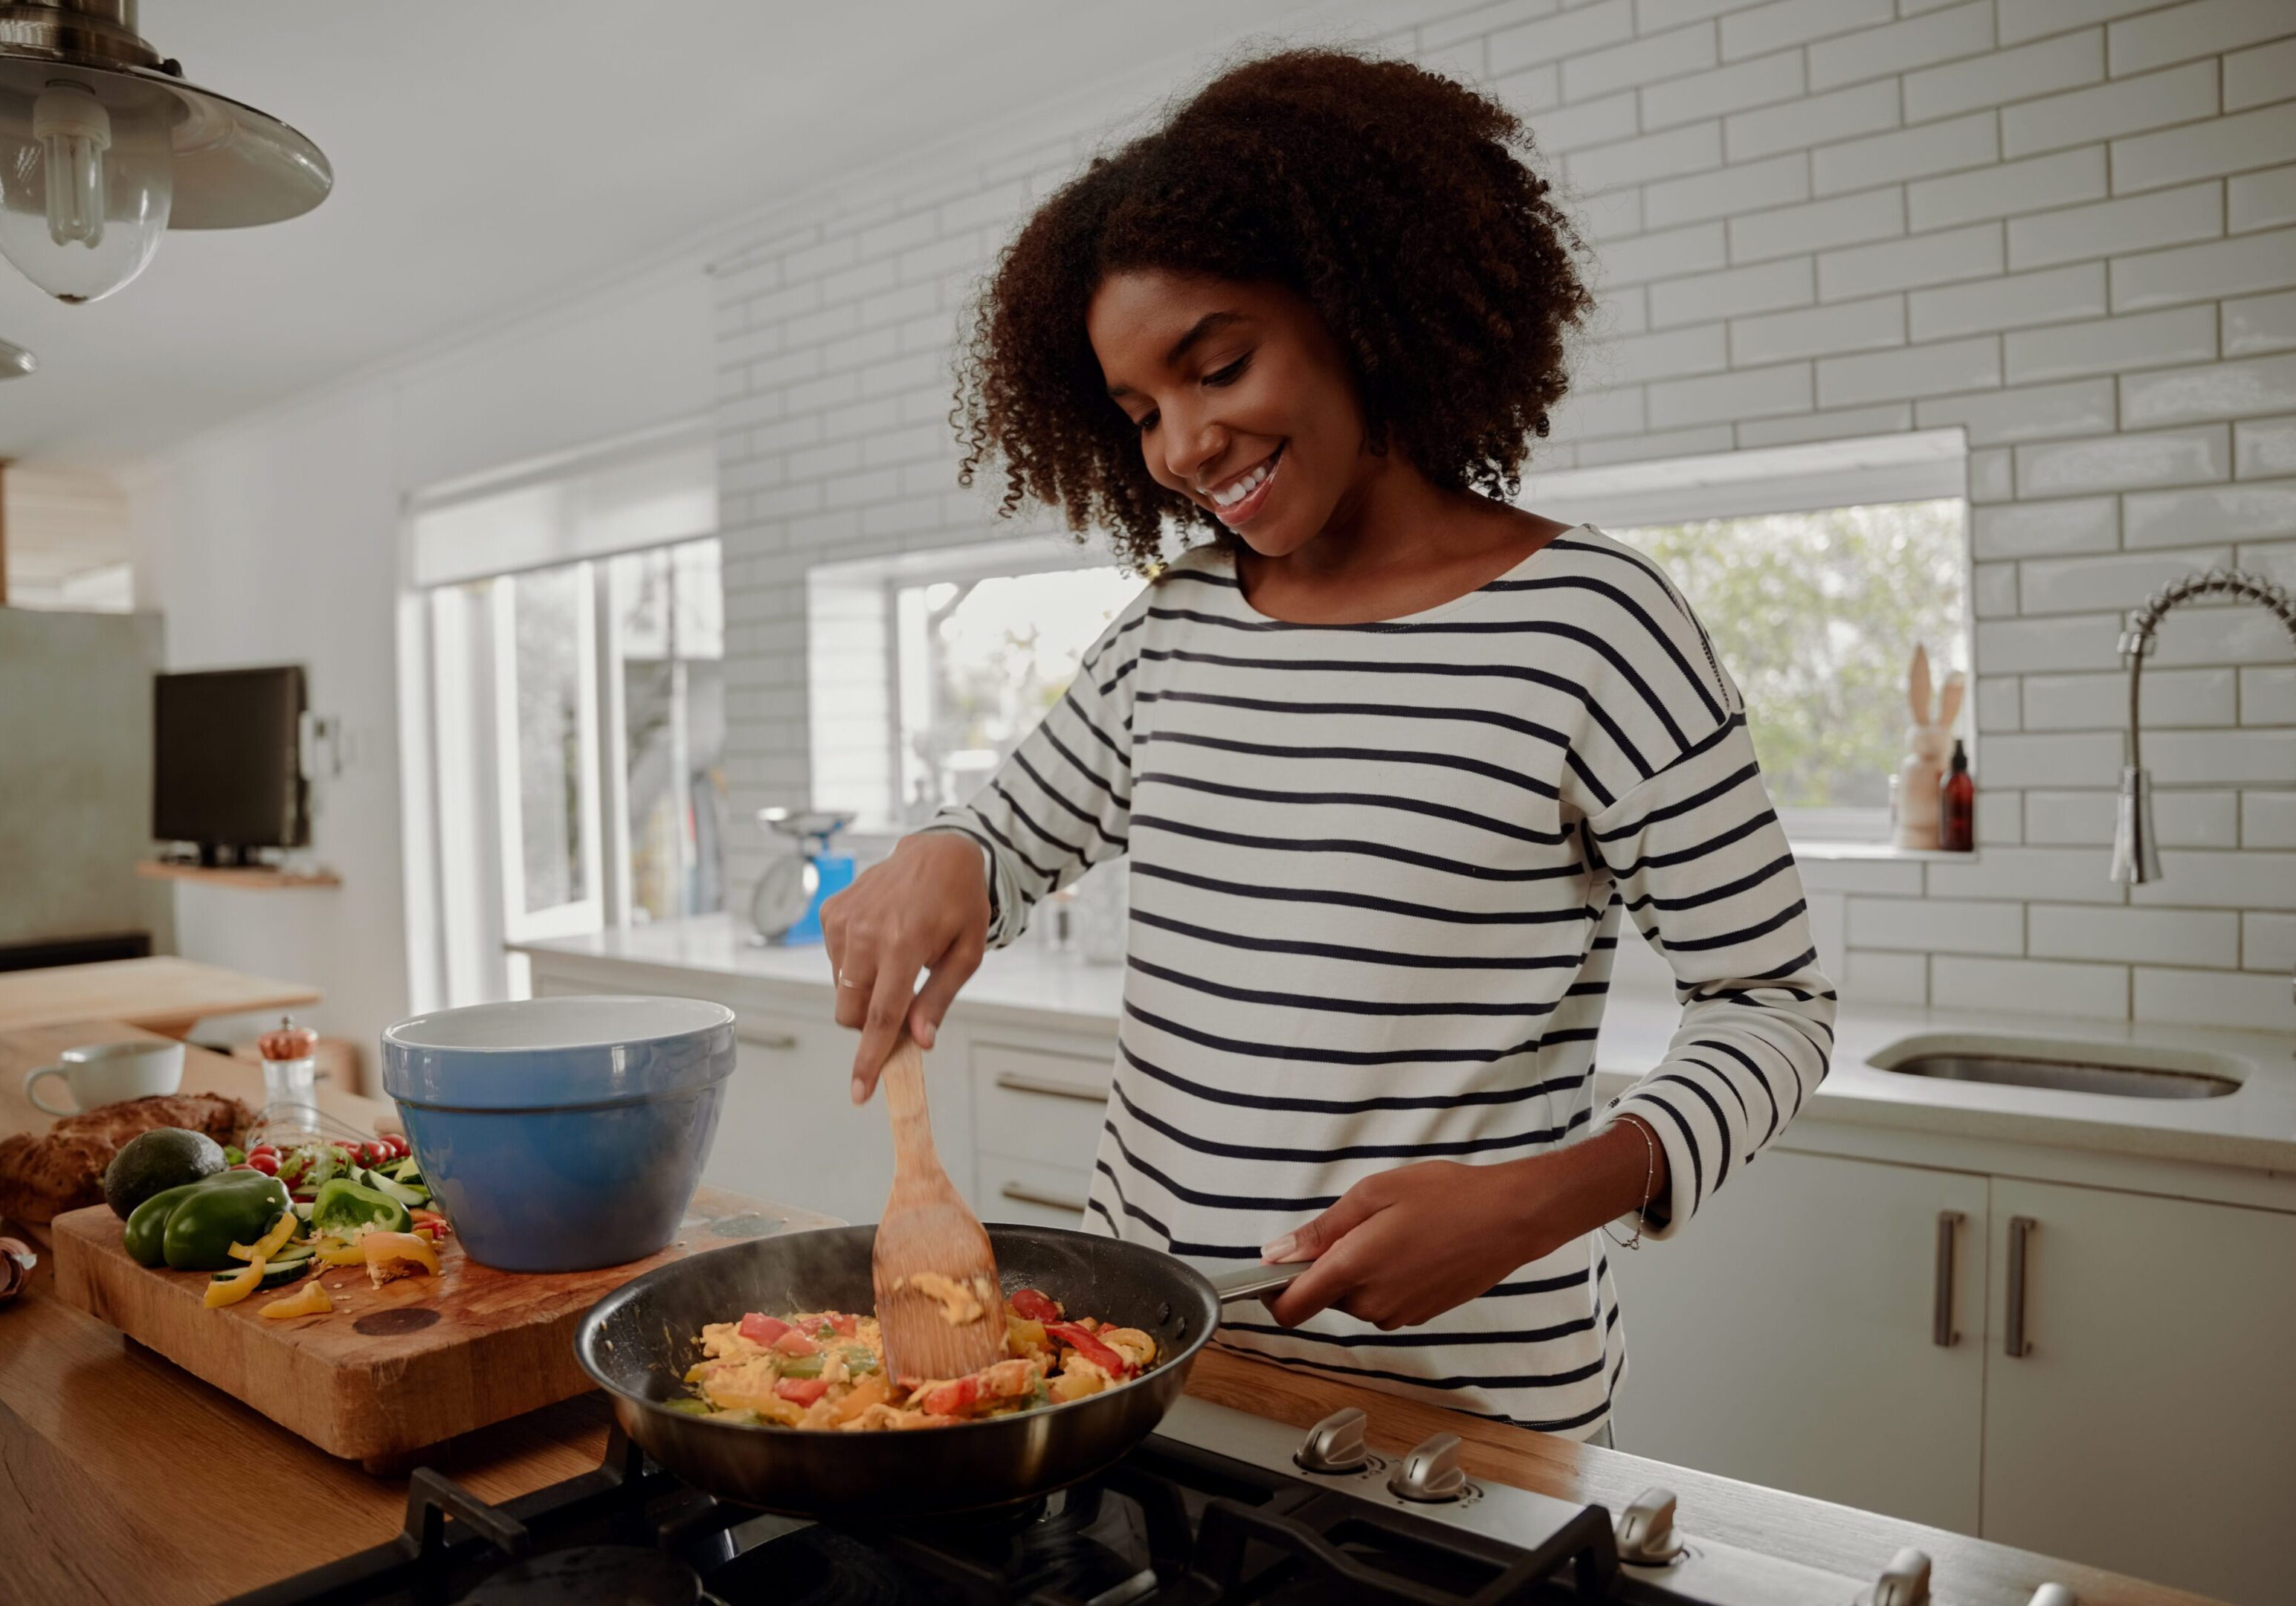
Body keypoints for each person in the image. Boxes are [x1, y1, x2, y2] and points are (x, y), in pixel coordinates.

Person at [820, 48, 1834, 1441]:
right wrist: (948, 851)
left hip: (1470, 1412)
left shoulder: (1596, 625)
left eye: (1218, 364)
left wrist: (1547, 1197)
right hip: (1156, 1376)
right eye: (1140, 415)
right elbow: (1007, 838)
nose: (1181, 444)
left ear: (1360, 305)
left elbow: (1772, 1000)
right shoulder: (1175, 627)